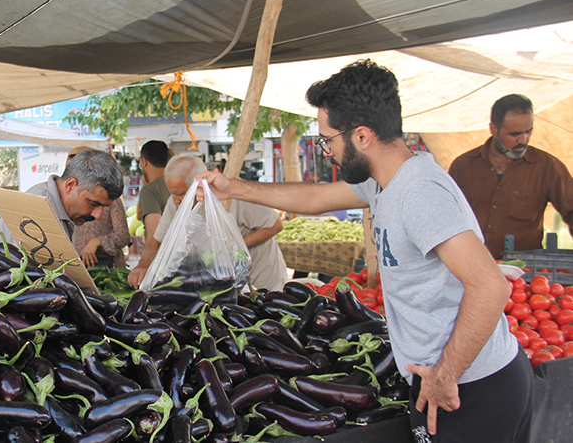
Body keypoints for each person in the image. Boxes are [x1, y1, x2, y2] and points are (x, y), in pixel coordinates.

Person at [195, 60, 532, 442]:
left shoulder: (418, 193)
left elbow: (490, 286)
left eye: (328, 139)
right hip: (454, 382)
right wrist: (233, 188)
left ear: (361, 136)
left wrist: (445, 376)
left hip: (471, 389)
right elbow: (319, 196)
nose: (326, 151)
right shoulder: (385, 181)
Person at [128, 154, 287, 291]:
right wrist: (143, 264)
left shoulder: (234, 193)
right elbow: (156, 242)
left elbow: (275, 225)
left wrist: (230, 249)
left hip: (261, 279)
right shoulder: (176, 202)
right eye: (171, 193)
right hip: (225, 282)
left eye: (180, 193)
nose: (175, 200)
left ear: (199, 183)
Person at [449, 94, 573, 259]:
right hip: (471, 266)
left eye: (528, 131)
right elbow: (445, 216)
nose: (523, 140)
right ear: (493, 129)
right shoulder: (463, 165)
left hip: (525, 273)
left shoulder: (547, 166)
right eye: (514, 134)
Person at [0, 150, 125, 253]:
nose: (98, 215)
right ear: (71, 185)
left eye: (104, 207)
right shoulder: (38, 209)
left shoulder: (59, 208)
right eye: (93, 203)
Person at [67, 146, 131, 268]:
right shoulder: (65, 199)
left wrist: (98, 242)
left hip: (106, 269)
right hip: (76, 267)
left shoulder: (109, 198)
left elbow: (123, 236)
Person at [137, 140, 171, 243]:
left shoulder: (150, 191)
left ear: (144, 161)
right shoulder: (179, 183)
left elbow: (154, 238)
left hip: (164, 257)